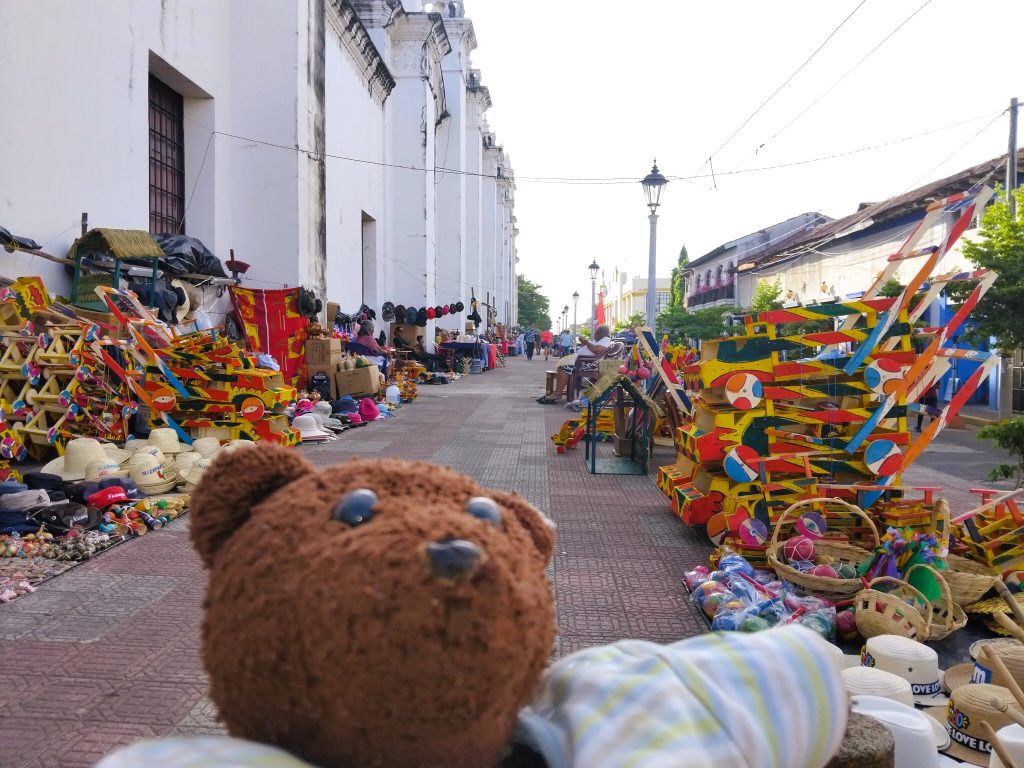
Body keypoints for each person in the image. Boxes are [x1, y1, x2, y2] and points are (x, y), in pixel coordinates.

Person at [537, 324, 613, 404]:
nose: (594, 334)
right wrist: (584, 342)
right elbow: (593, 348)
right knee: (564, 366)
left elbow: (597, 350)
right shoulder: (601, 340)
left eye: (595, 332)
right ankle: (558, 392)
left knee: (564, 367)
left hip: (587, 364)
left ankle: (558, 393)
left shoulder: (605, 340)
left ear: (600, 333)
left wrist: (586, 342)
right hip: (585, 362)